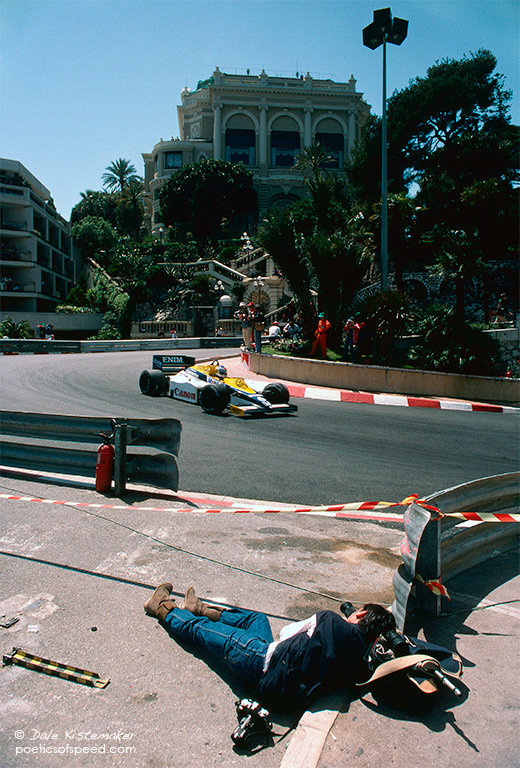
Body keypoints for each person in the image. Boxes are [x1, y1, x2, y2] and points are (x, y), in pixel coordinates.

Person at [144, 583, 395, 709]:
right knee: (257, 619)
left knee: (199, 630)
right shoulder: (361, 662)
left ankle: (162, 607)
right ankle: (199, 608)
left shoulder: (331, 622)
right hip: (283, 682)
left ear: (360, 615)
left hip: (258, 661)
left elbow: (286, 634)